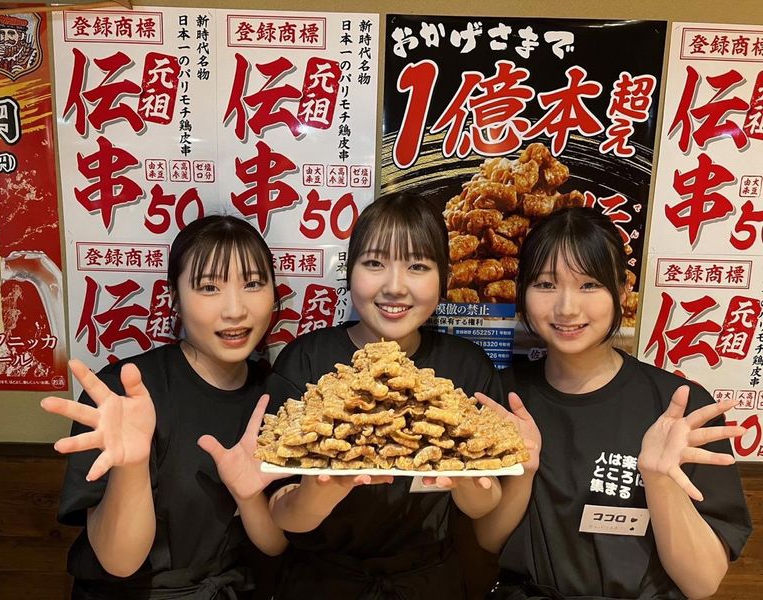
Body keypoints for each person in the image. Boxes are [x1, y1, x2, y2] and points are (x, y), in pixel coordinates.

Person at [475, 206, 752, 599]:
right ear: (523, 292)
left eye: (589, 285)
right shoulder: (505, 400)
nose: (567, 308)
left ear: (622, 291)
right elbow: (489, 541)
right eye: (546, 284)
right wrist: (524, 471)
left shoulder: (676, 408)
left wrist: (659, 481)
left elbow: (702, 583)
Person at [266, 192, 518, 599]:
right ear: (350, 271)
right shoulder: (307, 362)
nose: (395, 287)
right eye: (374, 263)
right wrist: (319, 494)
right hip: (322, 583)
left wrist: (467, 480)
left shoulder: (467, 368)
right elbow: (281, 513)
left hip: (429, 582)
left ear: (444, 277)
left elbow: (484, 506)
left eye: (418, 266)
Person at [41, 215, 288, 599]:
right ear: (174, 297)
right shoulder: (123, 393)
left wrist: (249, 497)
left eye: (253, 283)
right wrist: (133, 467)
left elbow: (275, 544)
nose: (235, 310)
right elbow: (118, 562)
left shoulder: (277, 397)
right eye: (209, 287)